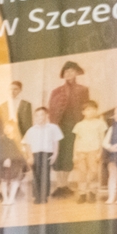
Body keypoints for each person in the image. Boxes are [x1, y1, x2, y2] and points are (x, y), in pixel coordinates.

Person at [48, 60, 91, 189]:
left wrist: (84, 126)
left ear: (76, 73)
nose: (69, 73)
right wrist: (53, 127)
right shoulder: (56, 91)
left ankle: (65, 184)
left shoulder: (83, 90)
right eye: (66, 71)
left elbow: (86, 108)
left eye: (71, 71)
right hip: (60, 126)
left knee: (69, 155)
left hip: (74, 127)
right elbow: (51, 110)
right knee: (59, 154)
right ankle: (59, 185)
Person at [71, 101, 109, 203]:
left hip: (94, 150)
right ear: (83, 112)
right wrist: (74, 154)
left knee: (94, 172)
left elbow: (102, 139)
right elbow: (76, 140)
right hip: (81, 151)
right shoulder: (79, 125)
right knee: (81, 173)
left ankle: (92, 192)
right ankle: (82, 193)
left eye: (93, 109)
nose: (91, 112)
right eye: (88, 110)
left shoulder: (100, 123)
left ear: (96, 111)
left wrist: (100, 152)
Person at [0, 81, 33, 148]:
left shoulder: (26, 105)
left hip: (20, 136)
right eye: (10, 89)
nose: (12, 91)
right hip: (6, 137)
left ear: (20, 90)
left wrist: (26, 139)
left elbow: (28, 124)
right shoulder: (2, 106)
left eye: (15, 89)